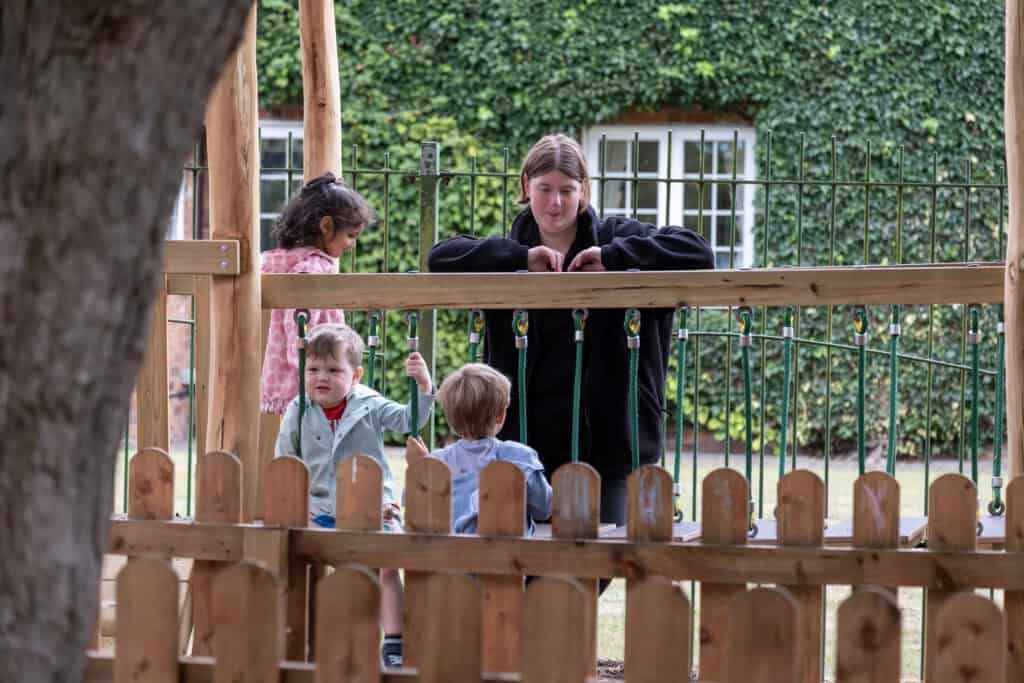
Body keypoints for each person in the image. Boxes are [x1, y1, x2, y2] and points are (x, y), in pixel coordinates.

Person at [428, 133, 713, 528]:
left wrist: (613, 258)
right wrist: (520, 258)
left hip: (611, 437)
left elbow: (698, 251)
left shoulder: (616, 236)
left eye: (567, 189)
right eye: (544, 189)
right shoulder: (506, 249)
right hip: (526, 437)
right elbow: (439, 257)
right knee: (526, 564)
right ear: (526, 186)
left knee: (599, 557)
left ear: (584, 191)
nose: (556, 202)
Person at [274, 323, 434, 669]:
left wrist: (423, 387)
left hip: (373, 505)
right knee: (318, 568)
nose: (322, 377)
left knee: (387, 568)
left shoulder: (369, 404)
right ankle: (314, 634)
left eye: (334, 370)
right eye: (314, 369)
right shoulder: (297, 411)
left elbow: (409, 420)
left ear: (356, 374)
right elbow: (284, 460)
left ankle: (394, 642)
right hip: (320, 509)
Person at [260, 172, 373, 415]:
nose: (352, 244)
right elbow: (298, 334)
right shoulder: (309, 271)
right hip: (313, 385)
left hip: (315, 378)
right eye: (351, 236)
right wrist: (309, 378)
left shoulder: (313, 266)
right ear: (326, 226)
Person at [406, 363, 552, 535]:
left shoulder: (438, 462)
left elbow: (415, 511)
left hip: (449, 558)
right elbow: (545, 508)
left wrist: (421, 467)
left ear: (450, 418)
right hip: (507, 559)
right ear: (501, 415)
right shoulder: (519, 457)